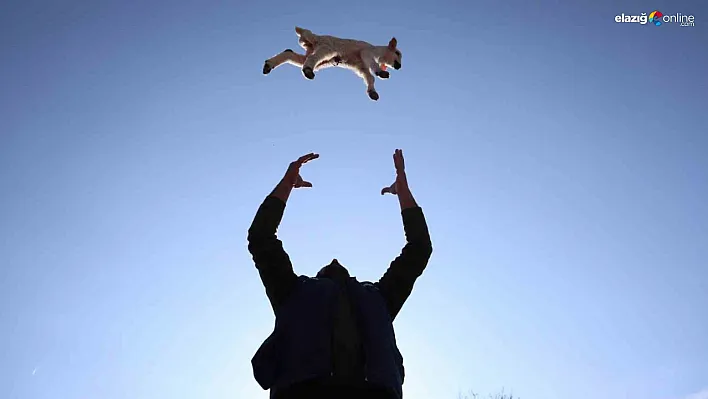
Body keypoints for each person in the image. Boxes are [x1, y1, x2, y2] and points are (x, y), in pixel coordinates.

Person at [247, 149, 433, 399]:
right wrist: (287, 182)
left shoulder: (377, 297)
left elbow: (419, 249)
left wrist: (403, 189)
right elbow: (261, 236)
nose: (335, 260)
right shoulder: (293, 291)